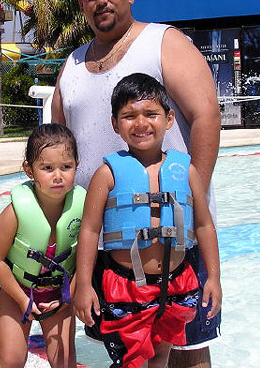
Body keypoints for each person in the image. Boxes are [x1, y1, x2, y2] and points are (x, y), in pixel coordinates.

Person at [51, 0, 222, 366]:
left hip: (176, 239)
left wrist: (191, 198)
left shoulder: (164, 42)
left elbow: (206, 116)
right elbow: (57, 146)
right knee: (130, 353)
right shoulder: (71, 65)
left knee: (188, 350)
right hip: (106, 248)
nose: (101, 0)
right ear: (81, 3)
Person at [74, 74, 222, 368]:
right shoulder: (107, 174)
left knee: (160, 357)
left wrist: (214, 278)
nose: (141, 123)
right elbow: (89, 231)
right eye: (129, 116)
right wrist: (84, 285)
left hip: (176, 283)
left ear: (169, 119)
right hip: (125, 286)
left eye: (151, 114)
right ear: (115, 124)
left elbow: (204, 225)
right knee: (132, 360)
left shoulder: (186, 170)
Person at [0, 124, 85, 368]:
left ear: (77, 165)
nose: (58, 176)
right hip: (17, 291)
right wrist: (22, 300)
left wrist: (68, 297)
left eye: (66, 167)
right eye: (47, 168)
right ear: (29, 170)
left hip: (59, 294)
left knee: (64, 361)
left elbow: (86, 261)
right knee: (11, 361)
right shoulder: (14, 214)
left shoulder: (83, 210)